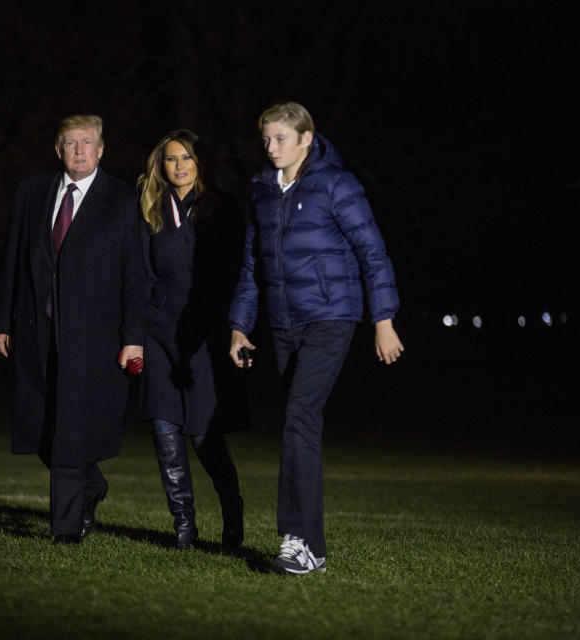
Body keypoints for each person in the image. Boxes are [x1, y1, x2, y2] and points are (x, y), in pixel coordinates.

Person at [228, 102, 404, 574]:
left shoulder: (336, 184)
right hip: (283, 324)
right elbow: (253, 265)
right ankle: (315, 549)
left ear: (307, 138)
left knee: (298, 417)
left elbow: (372, 250)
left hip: (332, 317)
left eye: (280, 139)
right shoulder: (262, 191)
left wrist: (382, 319)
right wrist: (239, 325)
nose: (270, 148)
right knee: (301, 425)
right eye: (265, 140)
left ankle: (295, 540)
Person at [0, 115, 146, 544]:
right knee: (37, 423)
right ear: (58, 150)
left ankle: (65, 529)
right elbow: (14, 259)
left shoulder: (122, 199)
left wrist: (133, 336)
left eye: (87, 143)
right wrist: (2, 319)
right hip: (35, 329)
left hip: (93, 336)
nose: (79, 150)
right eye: (70, 143)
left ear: (101, 150)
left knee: (71, 427)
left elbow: (135, 274)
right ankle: (90, 485)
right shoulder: (33, 191)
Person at [137, 130, 248, 550]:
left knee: (204, 433)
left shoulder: (221, 209)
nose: (179, 165)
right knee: (165, 428)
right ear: (160, 165)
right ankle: (184, 526)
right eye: (170, 159)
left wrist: (237, 325)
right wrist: (141, 324)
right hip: (158, 333)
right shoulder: (149, 210)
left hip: (204, 335)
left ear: (200, 162)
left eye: (186, 157)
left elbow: (238, 272)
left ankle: (232, 517)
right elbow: (140, 275)